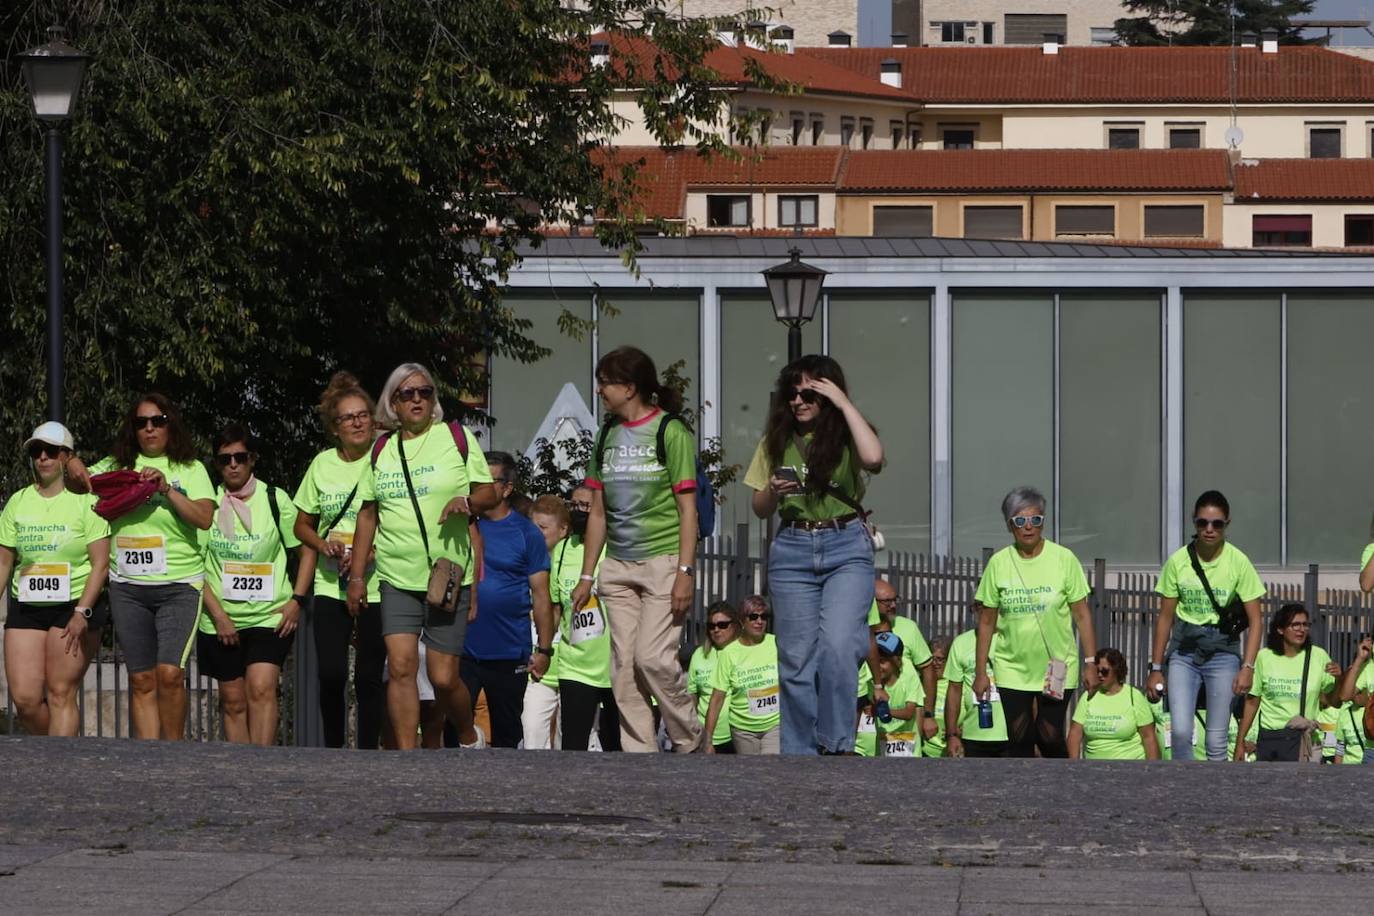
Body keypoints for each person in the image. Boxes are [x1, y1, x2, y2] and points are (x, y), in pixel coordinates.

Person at [346, 363, 498, 750]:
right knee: (399, 667)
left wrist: (466, 501)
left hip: (447, 575)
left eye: (424, 392)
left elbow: (488, 493)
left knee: (443, 677)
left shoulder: (456, 438)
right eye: (406, 394)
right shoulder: (381, 449)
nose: (417, 400)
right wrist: (359, 577)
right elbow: (368, 514)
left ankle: (467, 734)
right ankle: (407, 757)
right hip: (397, 576)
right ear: (392, 403)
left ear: (434, 400)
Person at [744, 354, 883, 755]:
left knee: (840, 644)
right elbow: (759, 507)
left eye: (809, 393)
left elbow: (873, 458)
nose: (799, 401)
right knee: (795, 657)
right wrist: (773, 489)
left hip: (845, 545)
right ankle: (801, 752)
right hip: (793, 548)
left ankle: (837, 743)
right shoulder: (776, 440)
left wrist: (843, 402)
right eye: (792, 393)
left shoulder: (847, 434)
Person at [570, 346, 702, 753]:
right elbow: (597, 512)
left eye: (605, 383)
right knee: (623, 671)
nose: (599, 391)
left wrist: (685, 572)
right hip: (618, 566)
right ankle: (639, 757)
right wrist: (587, 576)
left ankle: (688, 736)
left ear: (629, 388)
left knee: (653, 659)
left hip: (662, 562)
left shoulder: (670, 432)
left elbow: (688, 510)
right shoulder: (606, 434)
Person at [70, 394, 215, 740]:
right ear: (133, 429)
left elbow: (205, 518)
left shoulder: (190, 469)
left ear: (170, 425)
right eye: (141, 422)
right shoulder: (116, 465)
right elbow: (82, 485)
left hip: (180, 586)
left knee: (169, 674)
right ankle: (147, 762)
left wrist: (166, 489)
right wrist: (71, 463)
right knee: (141, 678)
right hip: (128, 587)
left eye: (158, 421)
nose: (149, 428)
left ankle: (173, 751)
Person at [198, 425, 310, 746]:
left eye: (240, 457)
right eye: (225, 459)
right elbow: (193, 565)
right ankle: (240, 771)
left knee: (261, 688)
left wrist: (297, 600)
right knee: (233, 700)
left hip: (268, 615)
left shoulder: (276, 499)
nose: (233, 464)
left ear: (253, 460)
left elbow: (306, 551)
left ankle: (262, 767)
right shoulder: (208, 504)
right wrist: (219, 616)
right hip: (221, 618)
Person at [292, 372, 386, 749]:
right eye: (349, 417)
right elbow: (301, 526)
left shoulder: (385, 459)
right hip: (330, 582)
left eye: (363, 414)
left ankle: (367, 752)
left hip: (378, 583)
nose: (358, 422)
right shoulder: (322, 465)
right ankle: (332, 750)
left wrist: (372, 552)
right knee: (331, 673)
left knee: (368, 676)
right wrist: (323, 544)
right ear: (335, 427)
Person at [0, 423, 110, 736]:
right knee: (25, 701)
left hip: (73, 606)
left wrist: (82, 612)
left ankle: (61, 771)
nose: (43, 458)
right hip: (28, 605)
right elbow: (4, 562)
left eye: (51, 451)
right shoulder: (18, 502)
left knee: (61, 692)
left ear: (66, 457)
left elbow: (100, 564)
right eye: (36, 451)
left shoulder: (87, 503)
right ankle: (61, 753)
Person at [972, 486, 1097, 759]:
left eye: (1035, 520)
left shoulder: (1064, 559)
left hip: (1057, 664)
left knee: (1049, 735)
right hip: (1012, 666)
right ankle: (1024, 796)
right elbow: (986, 622)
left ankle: (1061, 789)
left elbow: (1082, 614)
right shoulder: (998, 563)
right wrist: (980, 671)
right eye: (1020, 521)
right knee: (1019, 737)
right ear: (1009, 526)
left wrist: (1091, 662)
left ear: (1043, 522)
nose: (1028, 527)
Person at [1147, 490, 1265, 761]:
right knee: (1179, 732)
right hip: (1184, 651)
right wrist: (1155, 668)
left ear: (1227, 524)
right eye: (1202, 523)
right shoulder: (1178, 561)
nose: (1209, 530)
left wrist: (1247, 667)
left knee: (1216, 739)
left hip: (1223, 652)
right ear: (1194, 523)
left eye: (1217, 524)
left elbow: (1257, 620)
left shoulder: (1238, 562)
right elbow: (1165, 617)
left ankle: (1215, 799)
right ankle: (1183, 795)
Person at [462, 451, 555, 748]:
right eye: (476, 481)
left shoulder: (527, 533)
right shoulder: (462, 525)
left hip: (508, 651)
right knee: (456, 735)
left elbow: (542, 597)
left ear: (507, 488)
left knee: (506, 735)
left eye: (489, 481)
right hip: (462, 648)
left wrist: (544, 649)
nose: (481, 488)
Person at [538, 489, 618, 752]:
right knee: (573, 746)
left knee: (616, 746)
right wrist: (545, 649)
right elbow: (554, 607)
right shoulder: (561, 551)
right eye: (574, 504)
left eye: (586, 505)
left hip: (616, 667)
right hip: (575, 667)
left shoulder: (617, 549)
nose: (579, 510)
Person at [1236, 603, 1354, 762]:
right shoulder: (1264, 657)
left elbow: (1334, 702)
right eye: (1295, 625)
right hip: (1270, 740)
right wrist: (1240, 742)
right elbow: (1252, 702)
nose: (1302, 629)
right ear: (1280, 629)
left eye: (1305, 624)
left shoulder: (1319, 656)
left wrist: (1339, 679)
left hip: (1304, 741)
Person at [704, 595, 781, 755]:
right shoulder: (729, 653)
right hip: (742, 729)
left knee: (772, 770)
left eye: (764, 617)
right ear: (742, 621)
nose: (759, 621)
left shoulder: (776, 643)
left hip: (774, 725)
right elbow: (717, 698)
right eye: (753, 617)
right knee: (750, 775)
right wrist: (708, 740)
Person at [870, 578, 938, 744]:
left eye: (895, 599)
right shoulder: (858, 628)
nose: (893, 605)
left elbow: (927, 669)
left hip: (904, 721)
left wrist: (928, 714)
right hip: (870, 714)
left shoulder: (908, 627)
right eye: (887, 601)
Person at [1068, 649, 1160, 760]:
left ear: (1116, 670)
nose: (1100, 675)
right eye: (1097, 671)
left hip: (1130, 768)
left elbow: (1149, 737)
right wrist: (1074, 766)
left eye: (1105, 671)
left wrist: (1152, 770)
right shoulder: (1089, 696)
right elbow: (1075, 734)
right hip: (1093, 769)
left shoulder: (1134, 696)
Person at [943, 616, 1009, 758]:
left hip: (1011, 734)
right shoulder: (961, 642)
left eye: (986, 606)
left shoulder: (1012, 639)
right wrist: (952, 734)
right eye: (977, 606)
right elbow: (954, 690)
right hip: (973, 734)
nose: (982, 611)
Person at [690, 601, 739, 754]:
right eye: (712, 626)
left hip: (737, 735)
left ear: (735, 625)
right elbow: (692, 693)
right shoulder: (699, 655)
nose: (716, 630)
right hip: (705, 736)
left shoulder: (742, 652)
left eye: (722, 625)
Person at [869, 631, 923, 757]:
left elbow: (909, 713)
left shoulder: (909, 676)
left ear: (898, 661)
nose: (878, 666)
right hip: (883, 751)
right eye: (875, 660)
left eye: (882, 661)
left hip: (910, 752)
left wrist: (884, 711)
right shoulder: (871, 681)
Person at [923, 636, 951, 758]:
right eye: (931, 659)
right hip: (924, 751)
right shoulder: (921, 683)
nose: (934, 664)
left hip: (951, 750)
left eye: (939, 659)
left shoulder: (956, 685)